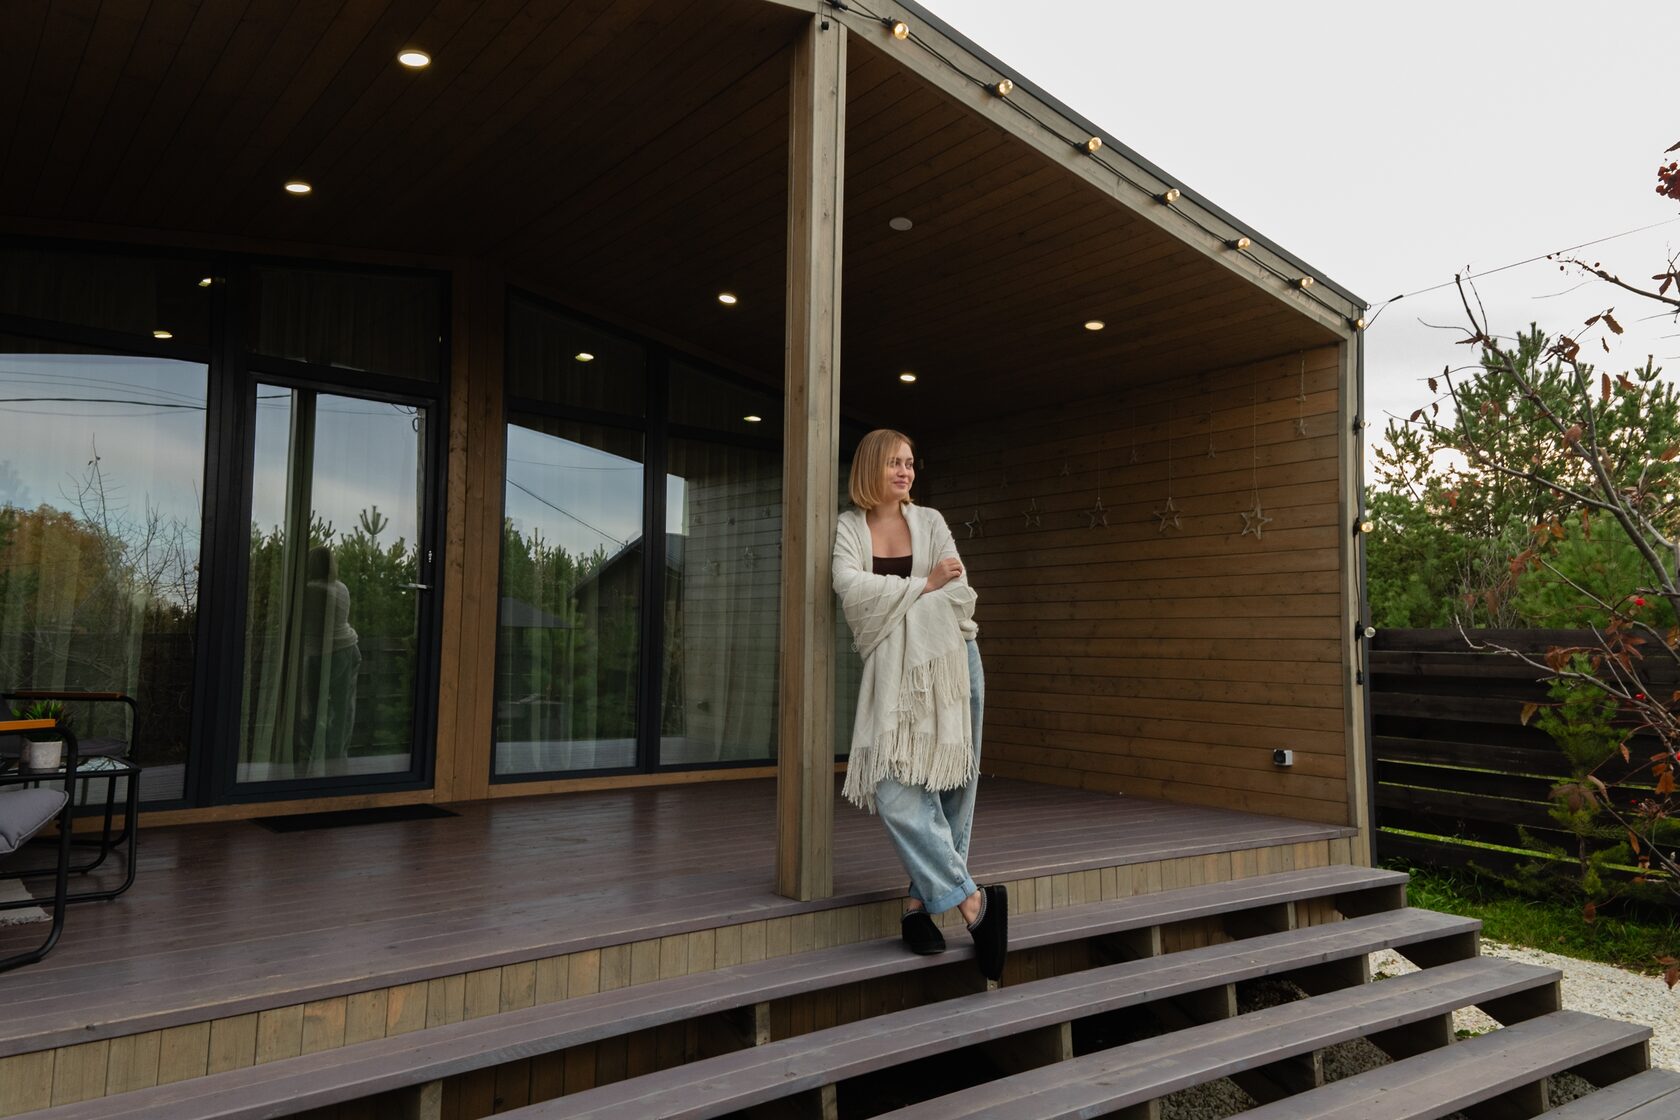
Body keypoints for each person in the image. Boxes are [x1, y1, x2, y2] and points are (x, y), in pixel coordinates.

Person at [831, 428, 1006, 980]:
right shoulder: (849, 528)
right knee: (895, 790)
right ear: (870, 468)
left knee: (952, 785)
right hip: (892, 677)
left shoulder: (930, 521)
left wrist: (919, 590)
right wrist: (924, 583)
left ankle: (917, 906)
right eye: (894, 463)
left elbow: (960, 592)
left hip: (953, 665)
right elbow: (849, 590)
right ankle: (973, 902)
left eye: (909, 463)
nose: (905, 472)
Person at [299, 545, 361, 772]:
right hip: (348, 650)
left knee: (312, 708)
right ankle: (336, 760)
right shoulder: (341, 588)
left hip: (320, 654)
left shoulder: (308, 590)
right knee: (343, 710)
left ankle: (312, 757)